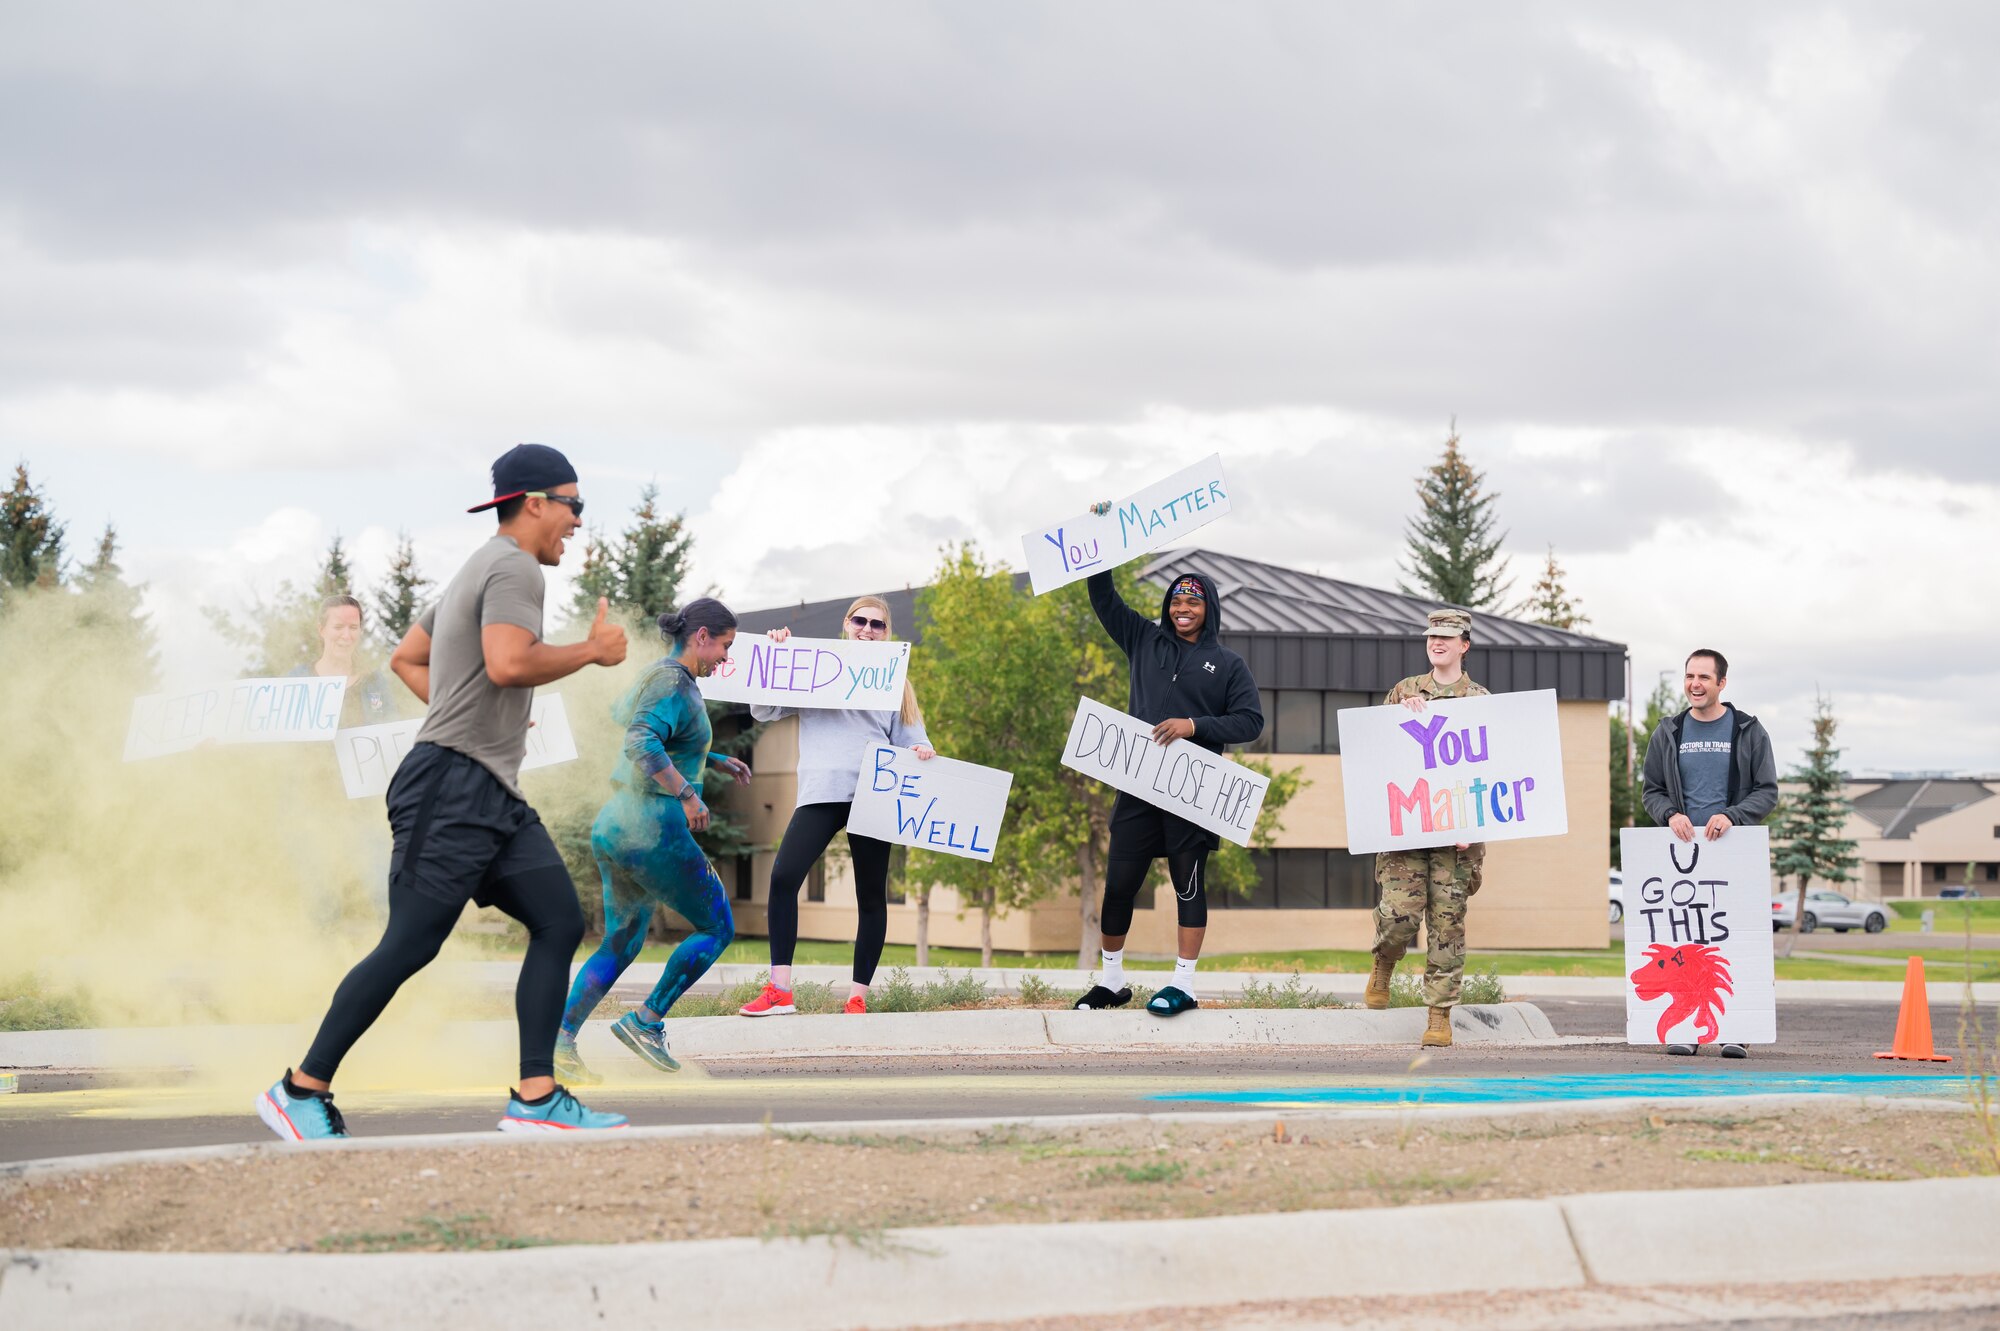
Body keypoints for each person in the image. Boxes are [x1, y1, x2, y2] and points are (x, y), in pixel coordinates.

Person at [256, 443, 631, 1139]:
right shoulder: (515, 566)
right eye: (574, 504)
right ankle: (298, 1088)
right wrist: (591, 650)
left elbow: (407, 657)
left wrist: (470, 714)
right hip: (453, 786)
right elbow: (509, 660)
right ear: (536, 503)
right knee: (409, 944)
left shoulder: (479, 567)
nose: (578, 521)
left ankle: (537, 1096)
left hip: (487, 785)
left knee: (557, 918)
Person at [555, 599, 753, 1080]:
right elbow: (641, 739)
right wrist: (687, 793)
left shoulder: (657, 673)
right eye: (724, 646)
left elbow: (628, 716)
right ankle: (647, 1021)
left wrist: (714, 758)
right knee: (717, 927)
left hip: (617, 824)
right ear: (701, 636)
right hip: (651, 828)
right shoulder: (675, 682)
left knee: (620, 944)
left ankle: (558, 1042)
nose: (725, 657)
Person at [1074, 564, 1263, 1017]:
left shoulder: (1229, 664)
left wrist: (1194, 726)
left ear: (1208, 608)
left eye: (1193, 602)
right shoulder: (1142, 638)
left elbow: (1251, 721)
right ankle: (1112, 982)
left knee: (1187, 884)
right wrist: (1099, 544)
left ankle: (1183, 985)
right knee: (1119, 884)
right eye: (1177, 601)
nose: (1183, 609)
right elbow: (1103, 597)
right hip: (1138, 785)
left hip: (1191, 793)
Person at [737, 597, 935, 1018]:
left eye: (877, 625)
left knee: (871, 896)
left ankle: (857, 997)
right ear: (846, 624)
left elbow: (913, 737)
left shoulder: (894, 682)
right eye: (860, 621)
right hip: (821, 791)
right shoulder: (815, 668)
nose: (867, 629)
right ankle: (780, 990)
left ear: (887, 633)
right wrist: (776, 656)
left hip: (874, 794)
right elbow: (763, 710)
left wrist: (921, 749)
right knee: (784, 877)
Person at [1640, 647, 1779, 1059]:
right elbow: (1652, 790)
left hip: (1733, 852)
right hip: (1684, 855)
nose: (1695, 684)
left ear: (1722, 683)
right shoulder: (1668, 732)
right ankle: (1688, 1028)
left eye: (1704, 677)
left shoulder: (1748, 731)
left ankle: (1737, 1028)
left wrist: (1733, 816)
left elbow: (1767, 790)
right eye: (1689, 677)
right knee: (1686, 942)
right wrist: (1669, 815)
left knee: (1734, 938)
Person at [1363, 609, 1488, 1048]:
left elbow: (1489, 771)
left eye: (1447, 636)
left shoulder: (1481, 700)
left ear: (1464, 645)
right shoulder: (1404, 692)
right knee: (1400, 917)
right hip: (1407, 830)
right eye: (1432, 635)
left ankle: (1439, 1015)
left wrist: (1474, 822)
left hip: (1456, 840)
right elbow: (1378, 753)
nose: (1437, 642)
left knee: (1447, 924)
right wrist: (1403, 716)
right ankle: (1383, 963)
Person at [288, 595, 402, 729]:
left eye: (353, 627)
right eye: (338, 627)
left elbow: (391, 730)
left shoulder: (374, 682)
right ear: (321, 630)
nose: (346, 636)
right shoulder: (297, 679)